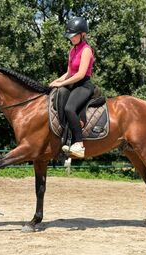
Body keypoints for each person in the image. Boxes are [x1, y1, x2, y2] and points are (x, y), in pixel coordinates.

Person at [49, 17, 95, 158]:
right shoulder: (72, 50)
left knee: (69, 108)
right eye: (70, 36)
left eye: (74, 36)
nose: (72, 39)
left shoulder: (86, 50)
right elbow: (69, 73)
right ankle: (64, 137)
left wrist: (61, 84)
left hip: (84, 85)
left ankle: (79, 144)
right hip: (73, 84)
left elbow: (80, 74)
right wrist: (54, 82)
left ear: (83, 34)